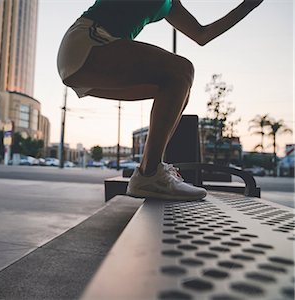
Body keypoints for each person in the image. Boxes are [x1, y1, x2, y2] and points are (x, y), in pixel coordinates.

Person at [57, 0, 263, 200]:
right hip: (89, 41)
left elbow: (202, 35)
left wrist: (248, 5)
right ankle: (150, 173)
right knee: (181, 70)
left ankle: (150, 172)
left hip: (98, 54)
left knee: (177, 84)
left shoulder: (170, 4)